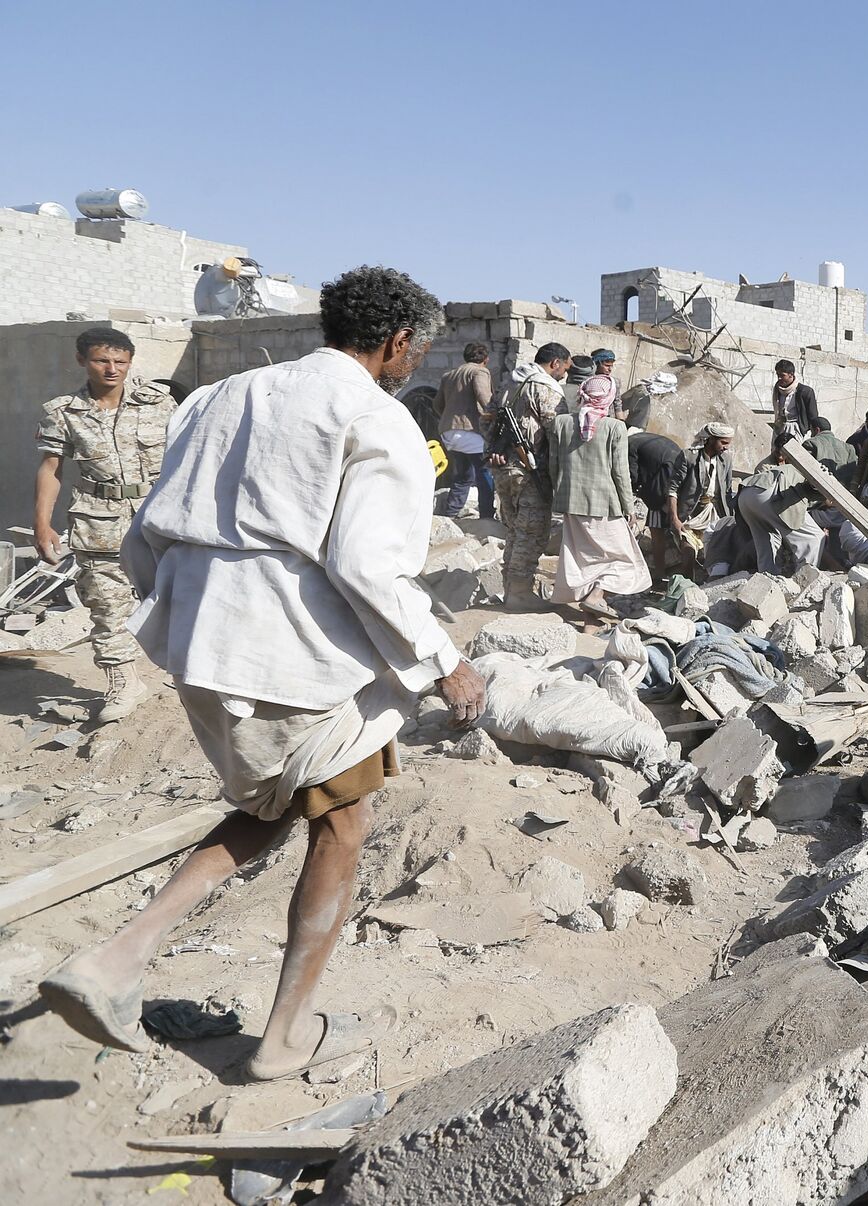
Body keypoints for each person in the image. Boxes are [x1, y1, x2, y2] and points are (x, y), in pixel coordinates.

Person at [38, 266, 485, 1082]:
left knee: (272, 804)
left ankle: (114, 961)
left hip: (200, 642)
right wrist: (445, 663)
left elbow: (145, 533)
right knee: (341, 824)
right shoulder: (375, 417)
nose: (413, 363)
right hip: (298, 659)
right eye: (416, 350)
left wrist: (186, 619)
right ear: (397, 343)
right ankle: (283, 1037)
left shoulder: (221, 395)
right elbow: (366, 566)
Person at [33, 327, 177, 722]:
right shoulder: (63, 412)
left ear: (130, 363)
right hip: (99, 518)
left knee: (183, 592)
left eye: (120, 362)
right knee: (106, 602)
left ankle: (191, 674)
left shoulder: (160, 403)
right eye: (101, 360)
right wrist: (42, 524)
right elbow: (51, 469)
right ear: (82, 360)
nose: (112, 369)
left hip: (159, 514)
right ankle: (124, 682)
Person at [549, 375, 650, 617]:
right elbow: (620, 472)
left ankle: (590, 620)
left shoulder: (561, 423)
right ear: (609, 397)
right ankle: (596, 596)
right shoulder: (615, 427)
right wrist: (629, 507)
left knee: (584, 560)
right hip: (604, 505)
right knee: (626, 560)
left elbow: (553, 465)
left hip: (571, 504)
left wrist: (559, 494)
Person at [499, 341, 571, 608]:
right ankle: (519, 593)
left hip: (504, 469)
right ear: (555, 363)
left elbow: (488, 418)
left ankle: (510, 589)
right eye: (565, 368)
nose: (564, 374)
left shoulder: (510, 382)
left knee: (514, 531)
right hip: (530, 471)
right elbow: (557, 430)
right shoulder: (545, 387)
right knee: (531, 533)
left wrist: (494, 453)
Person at [737, 435, 828, 574]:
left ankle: (767, 579)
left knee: (767, 541)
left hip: (745, 495)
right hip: (769, 493)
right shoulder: (803, 467)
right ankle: (805, 578)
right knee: (814, 538)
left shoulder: (791, 467)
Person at [435, 342, 495, 520]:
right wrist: (494, 416)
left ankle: (451, 514)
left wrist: (449, 418)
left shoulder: (449, 375)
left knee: (463, 475)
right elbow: (485, 399)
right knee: (485, 472)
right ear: (486, 359)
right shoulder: (479, 372)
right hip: (469, 430)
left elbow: (437, 404)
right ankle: (487, 516)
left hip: (448, 432)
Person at [668, 422, 737, 570]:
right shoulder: (689, 457)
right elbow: (672, 490)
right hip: (691, 516)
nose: (726, 447)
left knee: (718, 557)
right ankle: (687, 583)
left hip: (715, 515)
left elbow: (728, 491)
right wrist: (675, 519)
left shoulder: (726, 460)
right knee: (688, 553)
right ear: (711, 439)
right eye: (723, 443)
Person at [628, 428, 686, 574]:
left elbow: (632, 476)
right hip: (679, 483)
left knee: (657, 532)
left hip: (661, 486)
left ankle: (660, 573)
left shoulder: (629, 444)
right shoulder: (646, 438)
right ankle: (684, 572)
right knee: (682, 530)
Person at [771, 359, 820, 441]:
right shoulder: (778, 390)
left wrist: (808, 432)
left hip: (797, 430)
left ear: (791, 374)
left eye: (782, 375)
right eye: (778, 375)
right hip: (780, 428)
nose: (779, 378)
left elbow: (813, 416)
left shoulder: (805, 391)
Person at [804, 416, 858, 482]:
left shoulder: (810, 443)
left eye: (811, 431)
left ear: (817, 430)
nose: (811, 435)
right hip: (841, 487)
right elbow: (854, 473)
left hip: (817, 485)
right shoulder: (849, 448)